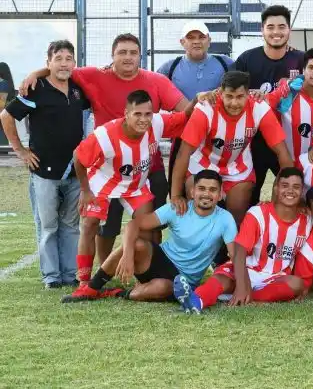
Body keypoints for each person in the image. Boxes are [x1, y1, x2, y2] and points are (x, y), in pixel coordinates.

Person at [19, 33, 190, 280]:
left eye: (133, 52)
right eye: (122, 52)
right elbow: (62, 68)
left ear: (140, 56)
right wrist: (36, 74)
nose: (128, 57)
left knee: (151, 224)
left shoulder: (156, 81)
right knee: (102, 225)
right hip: (106, 167)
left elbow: (185, 111)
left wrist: (202, 103)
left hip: (145, 168)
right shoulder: (95, 76)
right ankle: (99, 274)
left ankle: (150, 270)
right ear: (112, 57)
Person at [70, 90, 191, 295]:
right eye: (137, 114)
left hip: (135, 187)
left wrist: (198, 99)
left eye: (148, 114)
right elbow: (78, 157)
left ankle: (146, 276)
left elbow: (184, 116)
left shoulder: (158, 124)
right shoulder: (104, 135)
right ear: (126, 113)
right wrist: (85, 190)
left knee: (147, 228)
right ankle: (84, 280)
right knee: (90, 223)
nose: (143, 119)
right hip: (103, 182)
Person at [63, 170, 237, 303]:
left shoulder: (225, 219)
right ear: (192, 192)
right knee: (138, 244)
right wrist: (128, 255)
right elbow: (134, 224)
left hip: (184, 280)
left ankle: (119, 293)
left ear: (221, 194)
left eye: (213, 190)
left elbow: (235, 256)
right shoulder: (178, 208)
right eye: (202, 188)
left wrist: (242, 287)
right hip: (161, 260)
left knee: (164, 287)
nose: (206, 194)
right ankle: (92, 288)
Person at [0, 41, 86, 288]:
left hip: (73, 171)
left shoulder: (78, 90)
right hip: (43, 172)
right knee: (48, 226)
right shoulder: (36, 89)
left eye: (68, 58)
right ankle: (51, 277)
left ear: (74, 63)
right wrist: (20, 150)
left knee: (70, 226)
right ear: (48, 63)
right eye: (58, 58)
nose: (64, 63)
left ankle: (70, 274)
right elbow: (6, 116)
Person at [175, 167, 312, 312]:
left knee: (296, 284)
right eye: (285, 186)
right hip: (245, 269)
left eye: (296, 187)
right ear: (276, 188)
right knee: (221, 280)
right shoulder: (257, 214)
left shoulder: (307, 220)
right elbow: (239, 251)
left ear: (302, 191)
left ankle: (250, 297)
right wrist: (241, 285)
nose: (290, 191)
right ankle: (196, 301)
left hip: (274, 278)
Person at [173, 71, 293, 228]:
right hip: (202, 165)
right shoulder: (206, 108)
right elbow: (184, 152)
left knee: (236, 219)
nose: (234, 103)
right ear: (221, 93)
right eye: (229, 96)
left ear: (248, 94)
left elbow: (282, 152)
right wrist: (175, 195)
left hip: (238, 168)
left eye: (239, 97)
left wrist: (286, 194)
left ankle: (229, 251)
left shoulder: (259, 108)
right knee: (200, 216)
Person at [233, 6, 305, 206]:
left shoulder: (301, 59)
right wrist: (250, 95)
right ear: (262, 29)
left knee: (293, 196)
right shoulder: (247, 59)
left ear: (290, 30)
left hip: (289, 141)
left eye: (282, 26)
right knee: (248, 198)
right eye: (270, 27)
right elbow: (229, 91)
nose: (276, 32)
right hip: (253, 142)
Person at [157, 21, 232, 181]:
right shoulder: (170, 67)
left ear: (209, 40)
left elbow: (242, 88)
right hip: (182, 133)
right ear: (182, 42)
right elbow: (150, 89)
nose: (196, 41)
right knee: (180, 180)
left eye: (201, 37)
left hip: (217, 134)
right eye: (190, 38)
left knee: (217, 180)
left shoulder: (225, 63)